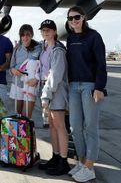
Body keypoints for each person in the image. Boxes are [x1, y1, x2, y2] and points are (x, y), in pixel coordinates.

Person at [65, 6, 107, 182]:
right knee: (75, 127)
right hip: (74, 86)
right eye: (70, 18)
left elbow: (101, 64)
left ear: (83, 18)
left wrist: (99, 88)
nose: (74, 21)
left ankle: (89, 167)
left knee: (90, 127)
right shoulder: (71, 38)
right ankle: (82, 163)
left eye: (76, 17)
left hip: (90, 86)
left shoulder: (94, 37)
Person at [36, 19, 70, 175]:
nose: (45, 32)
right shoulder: (45, 48)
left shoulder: (58, 50)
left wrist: (46, 95)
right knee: (52, 125)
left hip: (56, 91)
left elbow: (55, 76)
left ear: (55, 32)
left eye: (48, 30)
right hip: (46, 88)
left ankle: (63, 161)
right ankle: (55, 157)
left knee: (59, 126)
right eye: (43, 30)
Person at [9, 24, 41, 118]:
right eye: (23, 35)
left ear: (31, 35)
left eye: (28, 35)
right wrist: (13, 71)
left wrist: (37, 78)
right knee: (18, 115)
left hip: (30, 85)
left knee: (26, 116)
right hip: (18, 84)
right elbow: (11, 67)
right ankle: (19, 133)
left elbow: (42, 66)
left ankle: (27, 133)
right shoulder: (17, 49)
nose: (25, 37)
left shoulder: (38, 48)